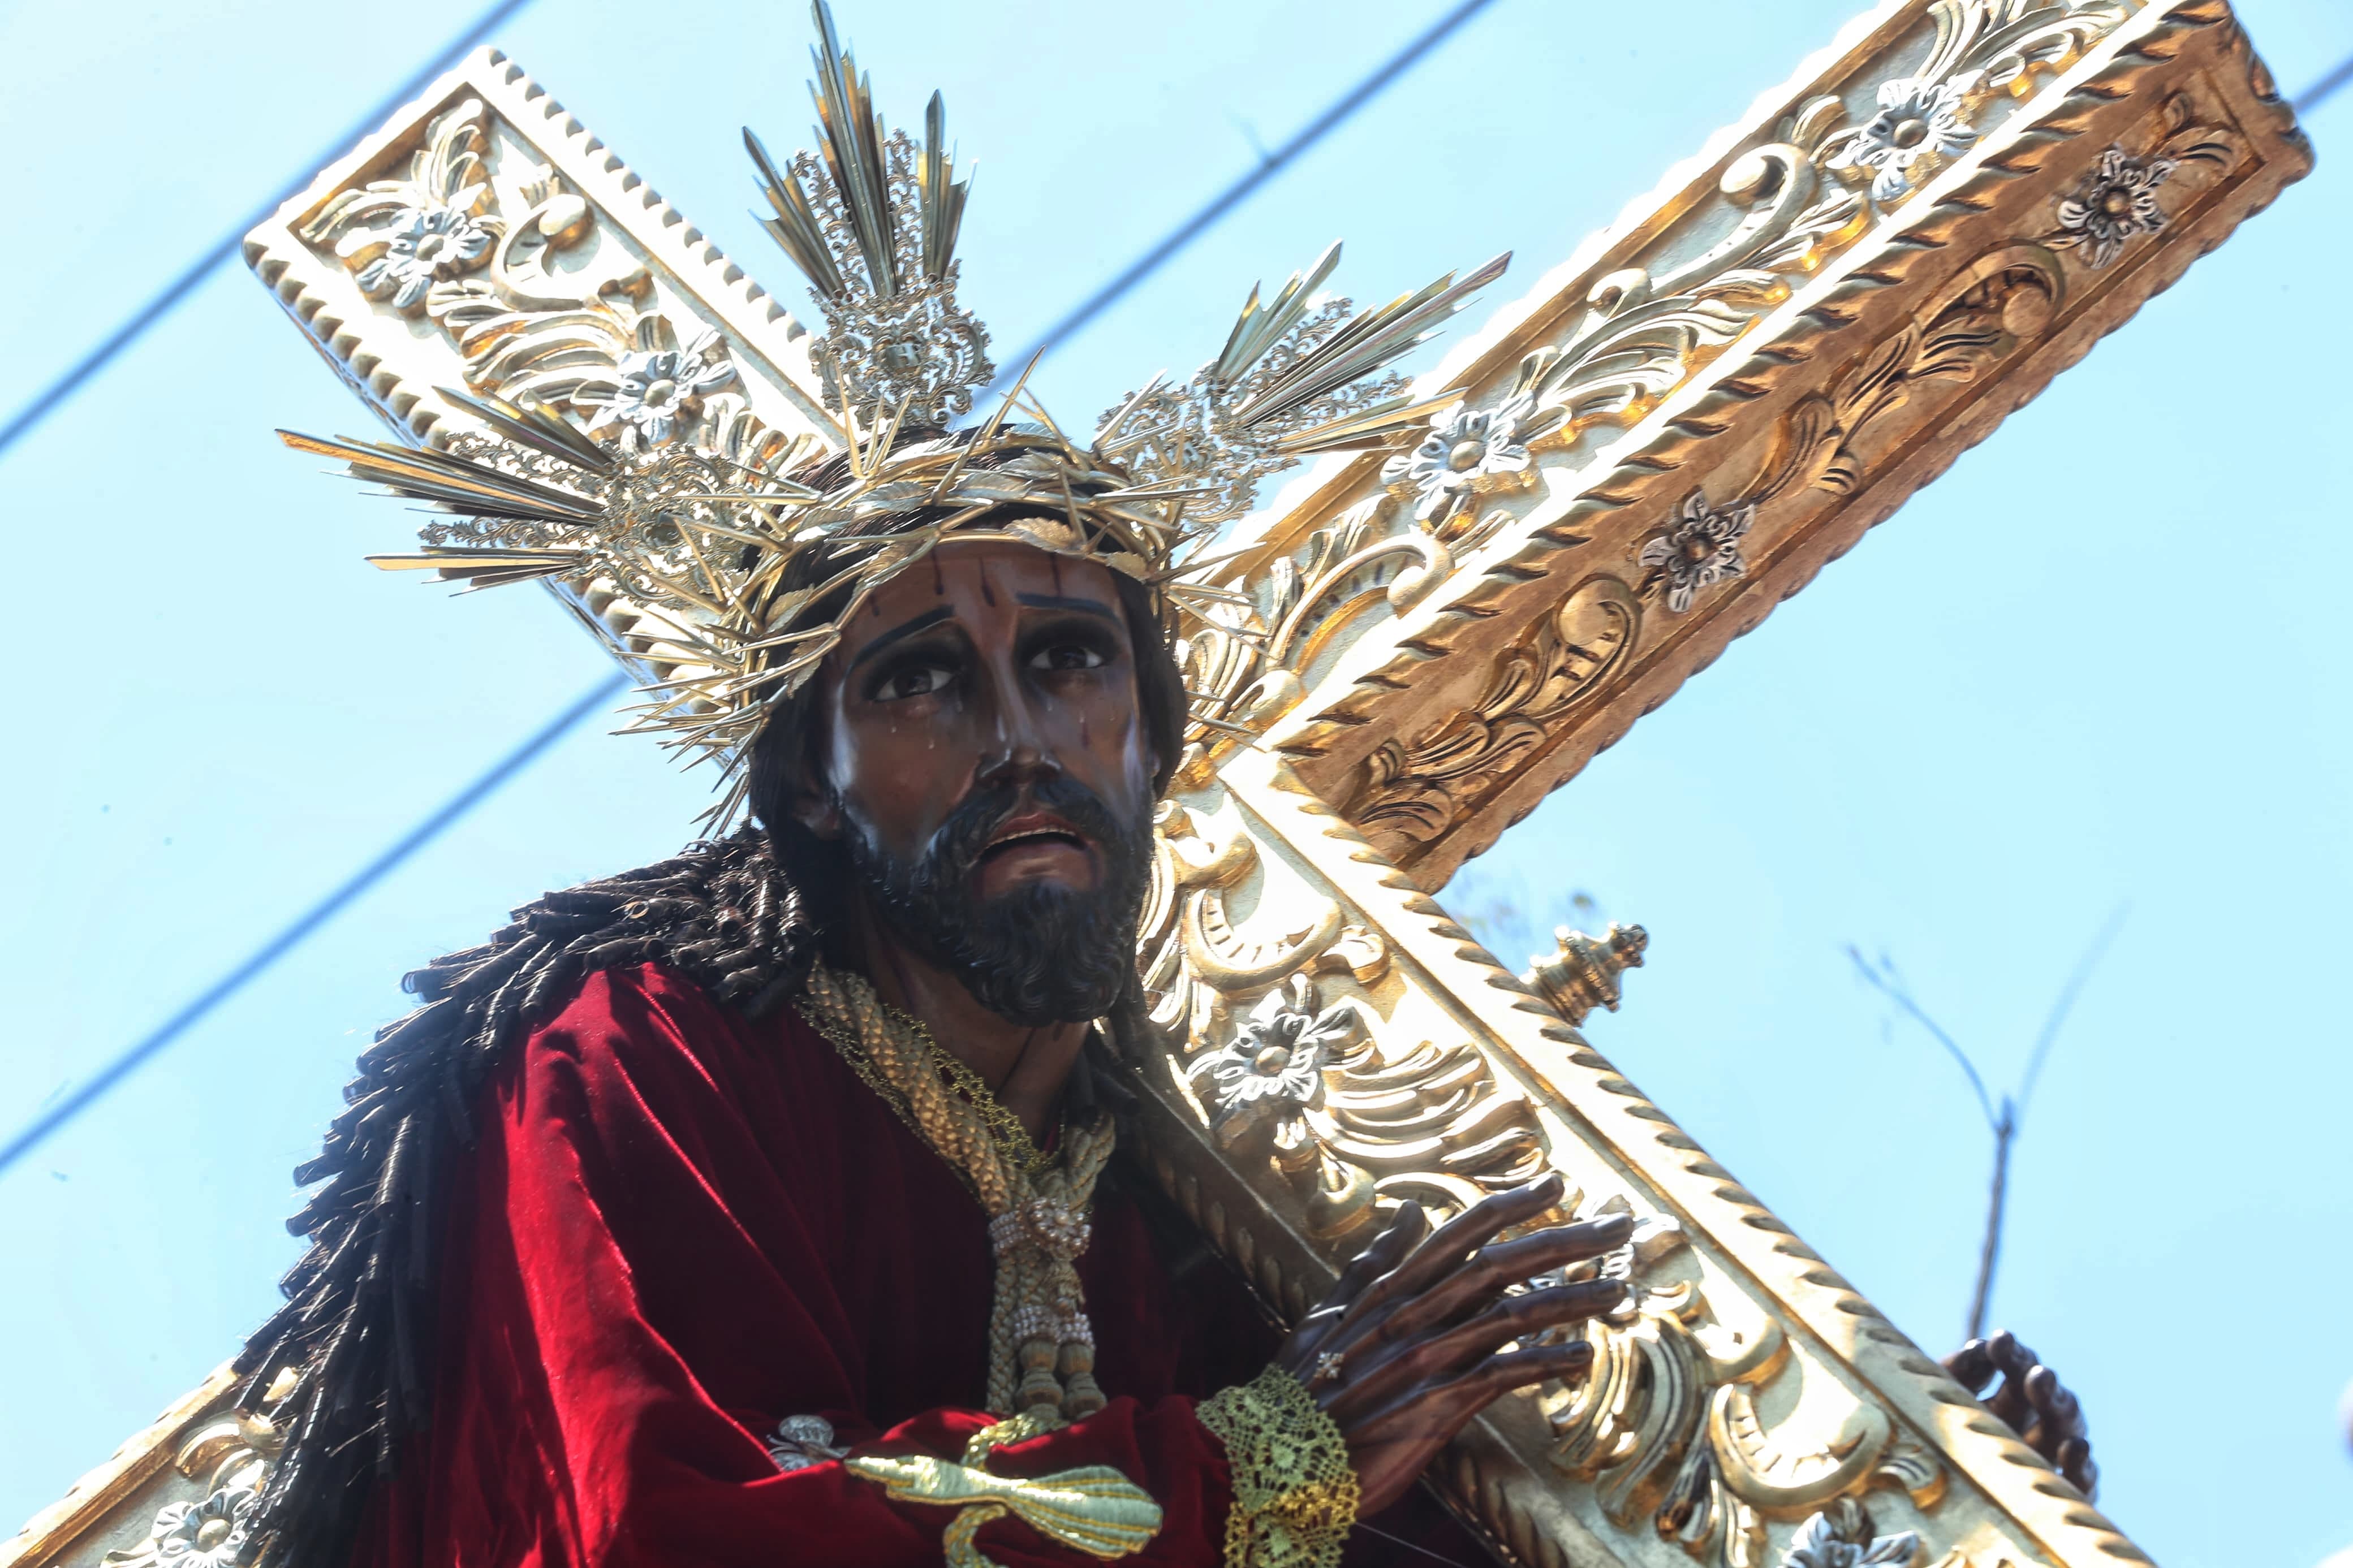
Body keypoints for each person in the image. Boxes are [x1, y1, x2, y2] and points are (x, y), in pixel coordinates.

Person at [231, 9, 2095, 1565]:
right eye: (920, 683)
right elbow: (671, 1524)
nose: (1018, 735)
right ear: (807, 786)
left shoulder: (1203, 1203)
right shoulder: (633, 1053)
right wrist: (1251, 1470)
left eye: (1067, 659)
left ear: (1152, 729)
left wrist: (1886, 1501)